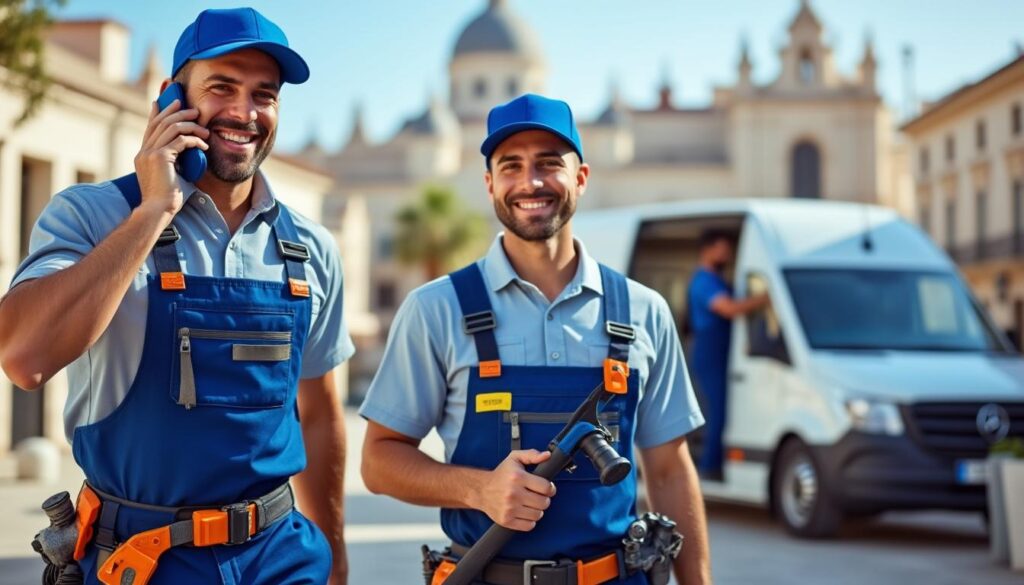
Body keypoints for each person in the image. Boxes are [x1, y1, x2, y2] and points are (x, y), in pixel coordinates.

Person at [0, 8, 352, 584]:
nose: (244, 113)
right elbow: (24, 358)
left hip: (284, 560)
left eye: (264, 95)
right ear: (170, 99)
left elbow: (318, 414)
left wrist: (334, 558)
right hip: (139, 562)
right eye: (221, 88)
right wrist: (155, 208)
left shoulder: (312, 247)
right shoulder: (90, 215)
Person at [360, 93, 712, 585]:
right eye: (511, 166)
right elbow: (378, 461)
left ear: (581, 178)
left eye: (549, 164)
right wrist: (479, 489)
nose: (531, 182)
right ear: (489, 184)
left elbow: (671, 471)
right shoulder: (436, 309)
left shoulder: (643, 310)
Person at [686, 230, 768, 481]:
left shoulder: (719, 279)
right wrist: (765, 299)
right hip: (708, 351)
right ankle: (710, 467)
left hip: (721, 352)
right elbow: (729, 309)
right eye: (722, 249)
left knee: (723, 409)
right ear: (708, 250)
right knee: (717, 410)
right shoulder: (704, 281)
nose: (727, 255)